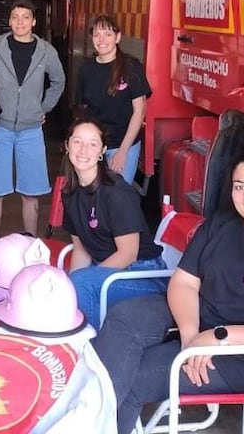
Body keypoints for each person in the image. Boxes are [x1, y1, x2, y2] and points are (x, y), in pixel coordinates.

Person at [92, 150, 244, 434]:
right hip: (197, 321)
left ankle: (89, 421)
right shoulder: (222, 224)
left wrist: (216, 338)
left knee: (134, 377)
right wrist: (191, 337)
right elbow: (184, 282)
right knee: (124, 316)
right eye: (239, 186)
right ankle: (88, 416)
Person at [61, 116, 167, 328]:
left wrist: (83, 281)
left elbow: (128, 253)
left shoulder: (116, 193)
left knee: (81, 284)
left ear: (102, 151)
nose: (83, 150)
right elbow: (82, 250)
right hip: (109, 269)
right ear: (67, 146)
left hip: (144, 273)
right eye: (77, 142)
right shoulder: (70, 193)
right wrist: (69, 285)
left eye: (93, 144)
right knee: (58, 284)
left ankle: (92, 345)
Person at [0, 0, 65, 238]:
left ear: (34, 22)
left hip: (31, 130)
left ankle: (31, 245)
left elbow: (59, 81)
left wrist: (43, 108)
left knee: (31, 192)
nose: (20, 22)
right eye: (15, 17)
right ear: (9, 21)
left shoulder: (46, 51)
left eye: (25, 17)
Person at [75, 14, 151, 184]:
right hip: (94, 145)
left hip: (123, 144)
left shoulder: (131, 66)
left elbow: (139, 112)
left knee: (117, 197)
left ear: (117, 37)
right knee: (92, 197)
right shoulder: (86, 68)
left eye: (108, 34)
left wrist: (123, 152)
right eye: (96, 35)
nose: (102, 39)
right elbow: (81, 112)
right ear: (91, 38)